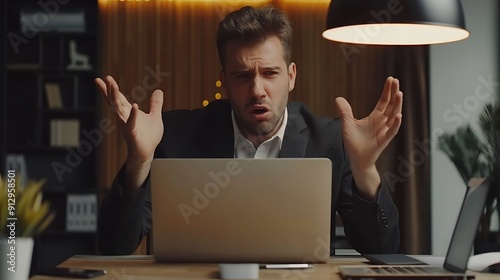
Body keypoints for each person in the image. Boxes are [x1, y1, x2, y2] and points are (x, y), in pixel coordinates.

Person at [95, 5, 402, 256]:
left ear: (291, 76)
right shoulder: (173, 135)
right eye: (242, 76)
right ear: (224, 80)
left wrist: (365, 170)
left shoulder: (331, 140)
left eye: (270, 73)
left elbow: (382, 250)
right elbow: (114, 247)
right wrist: (138, 160)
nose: (257, 90)